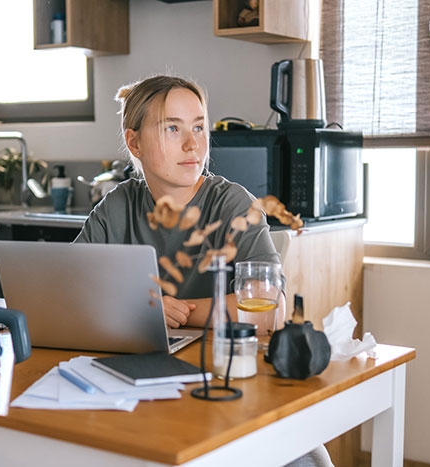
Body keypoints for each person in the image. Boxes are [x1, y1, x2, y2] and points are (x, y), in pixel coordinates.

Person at [74, 75, 333, 467]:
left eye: (198, 126)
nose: (193, 143)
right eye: (172, 128)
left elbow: (270, 310)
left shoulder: (232, 203)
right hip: (141, 391)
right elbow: (70, 290)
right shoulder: (117, 206)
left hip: (228, 390)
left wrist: (166, 310)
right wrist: (140, 310)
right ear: (134, 143)